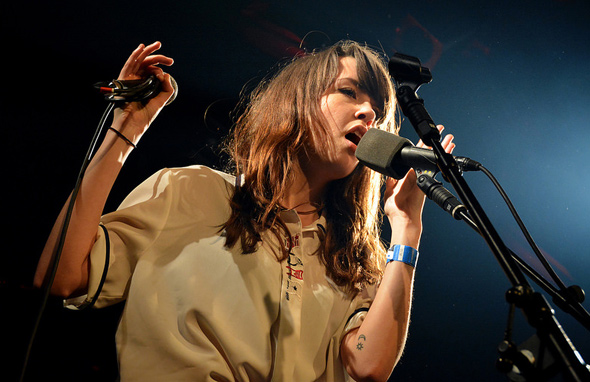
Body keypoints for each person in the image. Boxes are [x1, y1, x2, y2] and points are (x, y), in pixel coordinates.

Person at [35, 40, 455, 381]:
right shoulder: (190, 190)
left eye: (378, 112)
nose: (369, 113)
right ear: (299, 99)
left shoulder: (356, 259)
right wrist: (126, 129)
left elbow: (368, 366)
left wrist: (406, 229)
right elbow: (62, 277)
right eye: (349, 92)